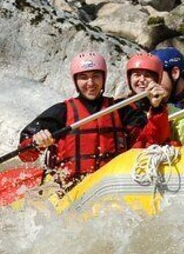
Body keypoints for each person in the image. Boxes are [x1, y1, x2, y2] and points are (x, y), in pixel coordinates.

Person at [18, 51, 169, 187]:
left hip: (112, 185)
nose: (90, 83)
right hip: (70, 189)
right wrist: (36, 143)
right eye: (83, 77)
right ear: (76, 81)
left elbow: (151, 141)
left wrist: (157, 108)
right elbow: (26, 155)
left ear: (103, 79)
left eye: (96, 76)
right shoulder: (61, 111)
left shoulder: (122, 109)